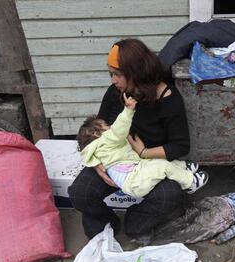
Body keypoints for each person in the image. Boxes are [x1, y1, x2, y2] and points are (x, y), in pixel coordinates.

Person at [68, 38, 192, 239]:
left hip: (150, 164)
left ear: (137, 72)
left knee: (170, 195)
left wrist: (143, 152)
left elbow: (180, 146)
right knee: (80, 193)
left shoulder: (169, 99)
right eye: (111, 74)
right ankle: (106, 224)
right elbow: (97, 132)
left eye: (117, 74)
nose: (113, 80)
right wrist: (98, 163)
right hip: (116, 161)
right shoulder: (116, 93)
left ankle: (135, 222)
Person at [76, 93, 209, 198]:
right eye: (106, 126)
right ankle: (190, 182)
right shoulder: (106, 140)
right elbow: (118, 129)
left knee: (156, 162)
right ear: (97, 133)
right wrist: (128, 110)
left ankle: (183, 167)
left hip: (133, 170)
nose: (110, 126)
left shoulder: (95, 151)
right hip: (133, 180)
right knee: (162, 166)